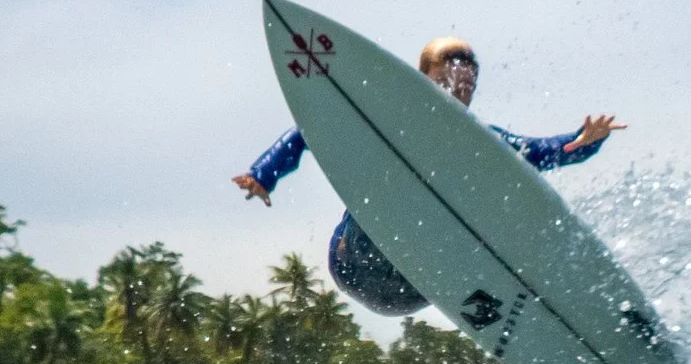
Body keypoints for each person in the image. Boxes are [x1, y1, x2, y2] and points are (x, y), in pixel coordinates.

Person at [233, 37, 625, 316]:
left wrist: (584, 141)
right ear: (421, 79)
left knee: (490, 209)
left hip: (415, 290)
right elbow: (310, 129)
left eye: (467, 84)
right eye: (447, 80)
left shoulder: (480, 143)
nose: (459, 90)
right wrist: (263, 175)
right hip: (352, 263)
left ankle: (508, 303)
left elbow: (537, 154)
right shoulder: (381, 120)